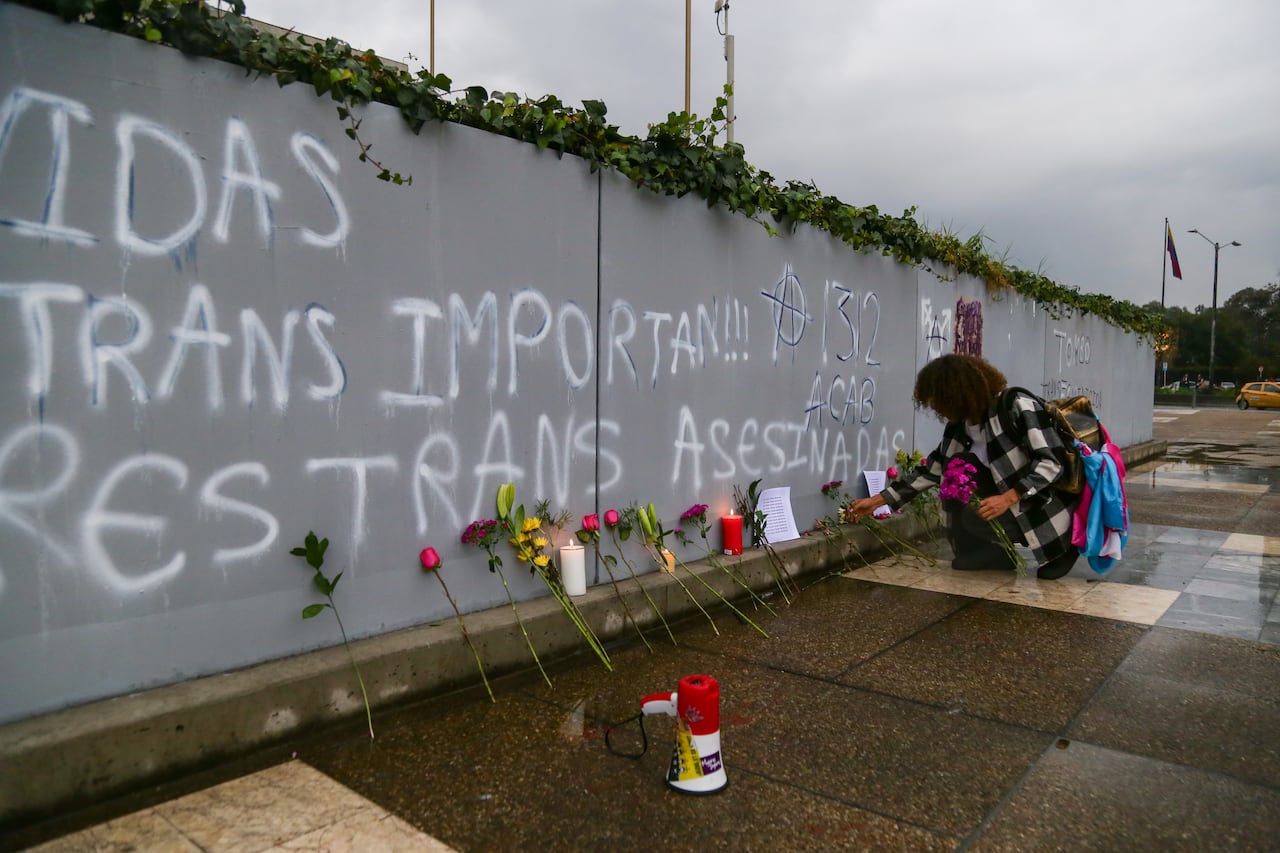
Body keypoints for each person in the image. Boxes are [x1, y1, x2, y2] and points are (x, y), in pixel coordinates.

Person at [845, 354, 1079, 579]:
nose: (934, 408)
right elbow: (931, 471)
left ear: (957, 395)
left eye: (938, 400)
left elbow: (1051, 463)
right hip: (1009, 503)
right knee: (958, 468)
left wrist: (1008, 498)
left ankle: (1067, 546)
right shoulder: (960, 427)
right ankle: (993, 553)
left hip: (1043, 506)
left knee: (1044, 563)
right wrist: (875, 501)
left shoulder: (1015, 406)